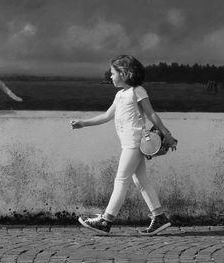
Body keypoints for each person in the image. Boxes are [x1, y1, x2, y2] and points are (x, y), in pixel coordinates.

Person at [71, 55, 178, 236]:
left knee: (121, 180)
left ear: (124, 73)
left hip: (135, 143)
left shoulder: (138, 91)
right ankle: (159, 216)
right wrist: (83, 123)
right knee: (140, 180)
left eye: (113, 73)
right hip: (128, 143)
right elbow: (106, 116)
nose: (110, 77)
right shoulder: (120, 95)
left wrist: (167, 135)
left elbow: (151, 114)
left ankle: (106, 220)